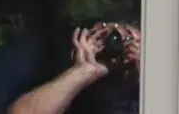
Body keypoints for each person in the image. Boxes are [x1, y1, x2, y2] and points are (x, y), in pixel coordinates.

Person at [7, 23, 140, 114]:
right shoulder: (80, 102)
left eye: (128, 34)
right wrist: (82, 72)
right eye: (102, 37)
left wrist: (150, 72)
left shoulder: (153, 90)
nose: (118, 43)